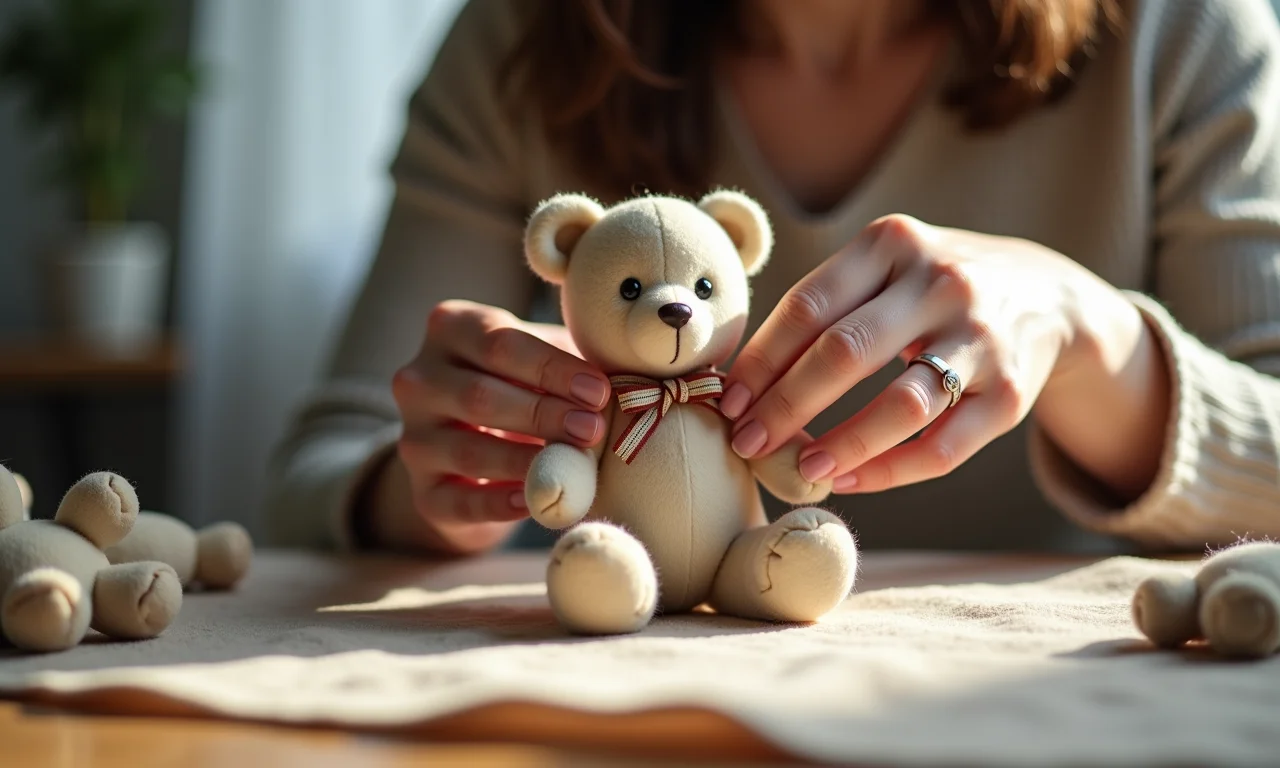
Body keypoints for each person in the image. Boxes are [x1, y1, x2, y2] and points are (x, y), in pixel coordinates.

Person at [263, 0, 1280, 558]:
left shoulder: (1181, 32)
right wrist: (438, 480)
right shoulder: (523, 39)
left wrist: (1091, 337)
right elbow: (320, 469)